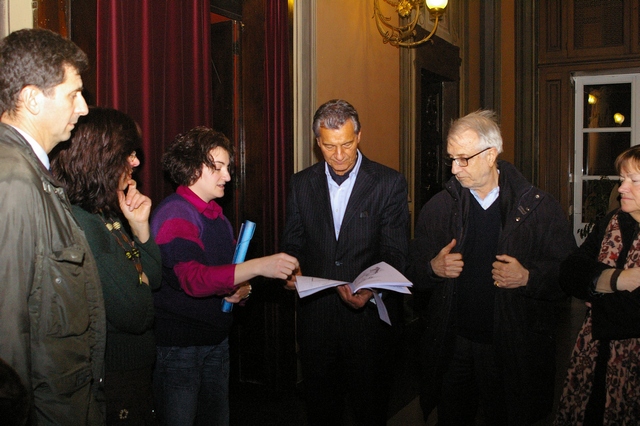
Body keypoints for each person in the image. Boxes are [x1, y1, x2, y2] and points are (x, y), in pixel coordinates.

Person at [407, 109, 577, 425]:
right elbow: (411, 273)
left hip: (512, 346)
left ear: (491, 155)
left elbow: (569, 276)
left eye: (464, 159)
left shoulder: (536, 208)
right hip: (454, 344)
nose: (454, 169)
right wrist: (432, 268)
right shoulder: (440, 208)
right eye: (451, 159)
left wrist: (529, 277)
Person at [151, 126, 298, 426]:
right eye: (218, 167)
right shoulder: (175, 212)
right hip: (181, 348)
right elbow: (194, 280)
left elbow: (226, 275)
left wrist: (244, 290)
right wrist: (258, 266)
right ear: (192, 167)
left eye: (227, 167)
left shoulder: (216, 215)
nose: (228, 177)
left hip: (216, 341)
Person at [281, 99, 410, 425]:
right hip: (317, 322)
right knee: (321, 412)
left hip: (368, 325)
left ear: (359, 136)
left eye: (347, 144)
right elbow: (293, 243)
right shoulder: (300, 184)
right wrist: (291, 269)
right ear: (317, 142)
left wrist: (371, 289)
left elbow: (395, 252)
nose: (339, 155)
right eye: (329, 146)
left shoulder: (388, 183)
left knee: (370, 411)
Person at [0, 28, 106, 424]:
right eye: (73, 94)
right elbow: (6, 333)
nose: (83, 108)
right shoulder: (13, 182)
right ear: (31, 99)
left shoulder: (30, 173)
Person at [51, 107, 162, 424]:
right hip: (113, 375)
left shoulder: (106, 212)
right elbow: (137, 313)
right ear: (101, 158)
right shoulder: (83, 222)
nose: (136, 162)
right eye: (128, 154)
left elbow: (154, 279)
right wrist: (138, 279)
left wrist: (140, 228)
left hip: (134, 369)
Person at [554, 145, 640, 425]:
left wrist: (596, 293)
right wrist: (616, 280)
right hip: (593, 358)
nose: (621, 188)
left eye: (633, 180)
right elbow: (569, 272)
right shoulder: (612, 222)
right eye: (622, 179)